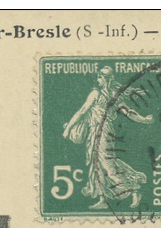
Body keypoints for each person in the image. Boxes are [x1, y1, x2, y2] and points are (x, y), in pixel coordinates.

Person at [63, 65, 154, 210]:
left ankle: (133, 188)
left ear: (108, 79)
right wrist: (144, 120)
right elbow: (84, 111)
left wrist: (68, 128)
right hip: (95, 131)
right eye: (99, 75)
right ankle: (103, 199)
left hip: (103, 131)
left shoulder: (104, 94)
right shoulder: (102, 93)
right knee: (96, 165)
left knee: (107, 164)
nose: (98, 78)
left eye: (102, 76)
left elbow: (83, 111)